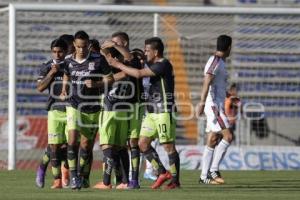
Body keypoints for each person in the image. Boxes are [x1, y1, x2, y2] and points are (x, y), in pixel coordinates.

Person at [105, 37, 180, 190]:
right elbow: (132, 60)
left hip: (164, 110)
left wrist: (118, 64)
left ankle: (175, 181)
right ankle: (162, 172)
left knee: (168, 145)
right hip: (151, 111)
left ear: (156, 51)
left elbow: (138, 74)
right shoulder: (152, 63)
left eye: (147, 50)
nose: (145, 53)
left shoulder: (163, 64)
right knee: (142, 143)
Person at [60, 30, 113, 190]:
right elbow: (66, 75)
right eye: (78, 47)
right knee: (72, 140)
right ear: (74, 45)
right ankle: (74, 176)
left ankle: (83, 176)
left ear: (88, 45)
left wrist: (96, 84)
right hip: (74, 105)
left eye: (84, 46)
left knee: (86, 146)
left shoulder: (98, 59)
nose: (81, 50)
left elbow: (110, 78)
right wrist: (64, 90)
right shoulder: (68, 60)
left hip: (93, 107)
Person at [101, 32, 144, 189]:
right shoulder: (116, 58)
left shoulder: (134, 55)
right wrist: (104, 49)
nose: (113, 44)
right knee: (122, 144)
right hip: (123, 104)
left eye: (116, 42)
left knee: (132, 142)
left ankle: (134, 179)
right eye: (112, 42)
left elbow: (126, 69)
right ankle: (124, 180)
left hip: (136, 104)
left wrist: (113, 47)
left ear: (124, 42)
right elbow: (108, 62)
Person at [196, 35, 233, 185]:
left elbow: (216, 84)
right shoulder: (216, 61)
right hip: (213, 105)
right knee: (228, 136)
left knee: (212, 139)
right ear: (229, 47)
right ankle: (214, 169)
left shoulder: (220, 62)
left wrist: (228, 95)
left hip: (217, 103)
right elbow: (208, 79)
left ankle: (204, 176)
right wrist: (202, 102)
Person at [36, 38, 69, 189]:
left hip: (71, 109)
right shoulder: (47, 66)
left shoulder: (72, 65)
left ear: (66, 51)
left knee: (71, 145)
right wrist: (51, 73)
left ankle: (66, 172)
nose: (57, 54)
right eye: (54, 52)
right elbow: (40, 88)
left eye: (60, 51)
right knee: (54, 146)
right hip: (54, 109)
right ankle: (55, 178)